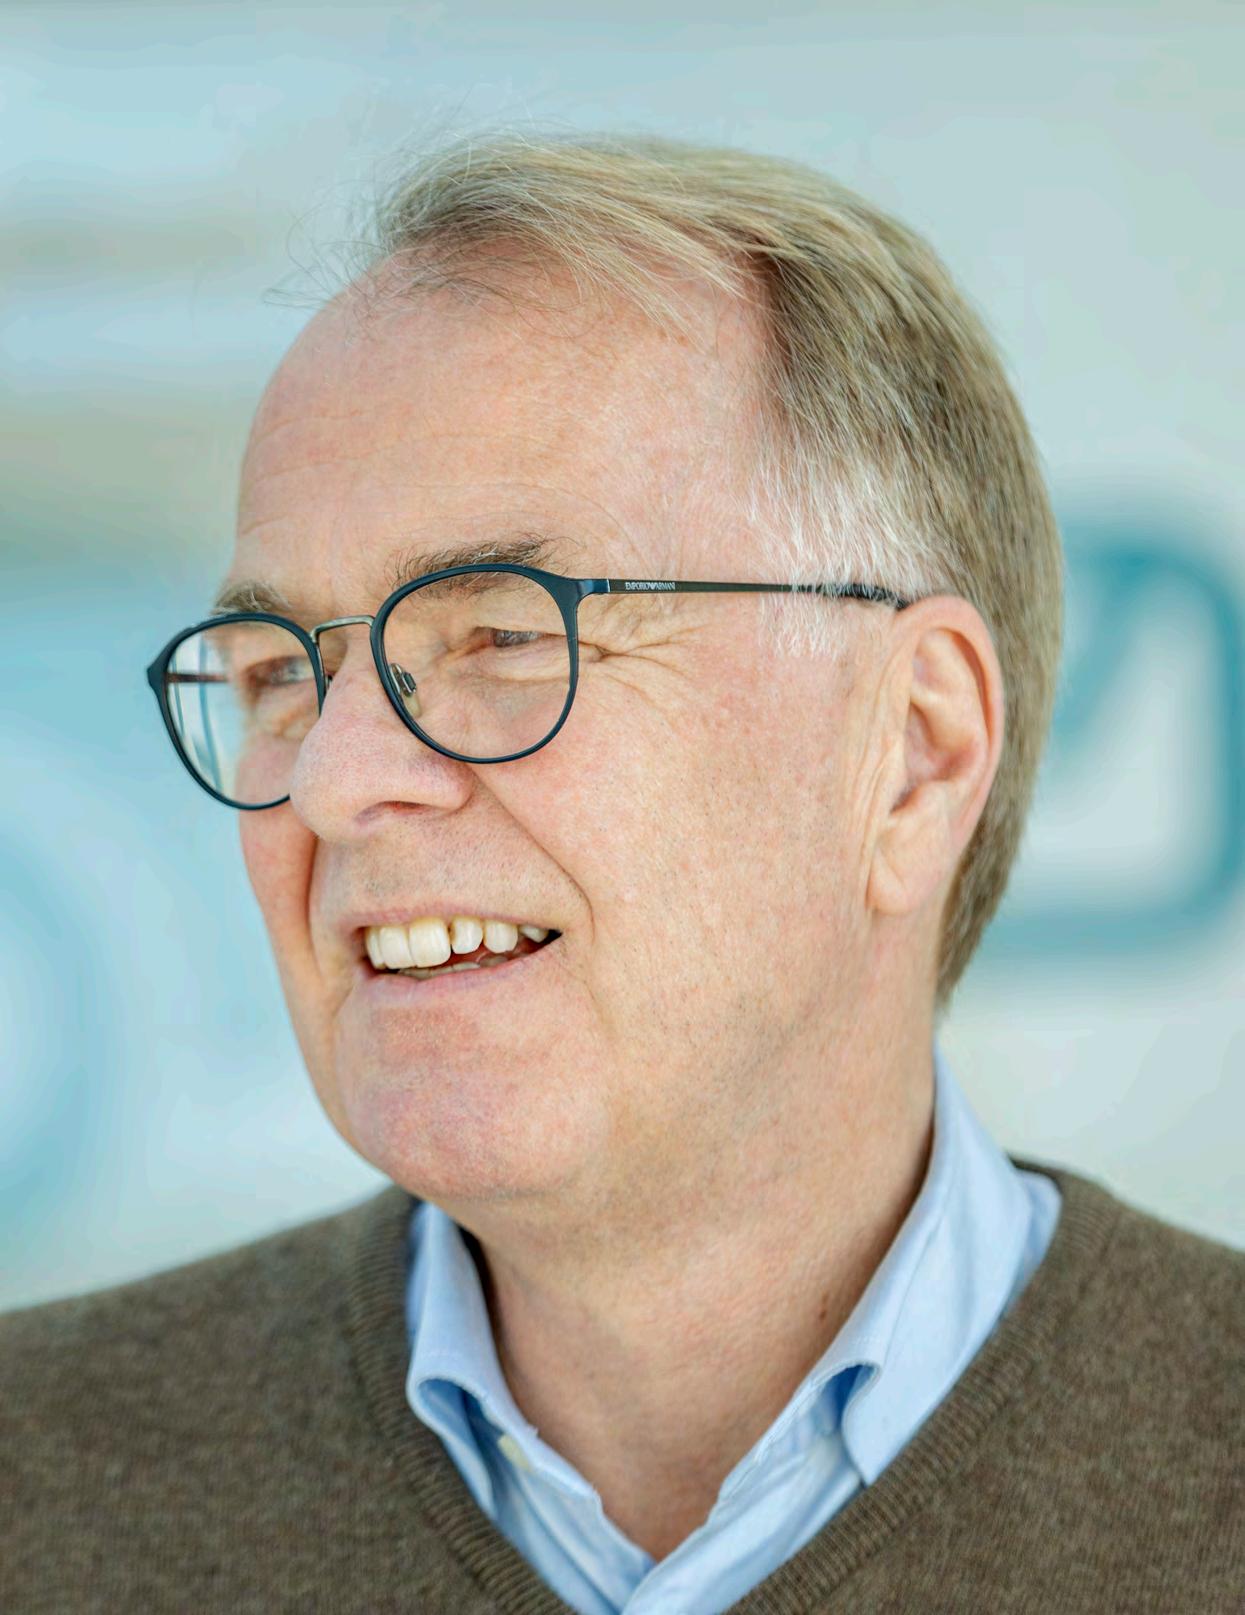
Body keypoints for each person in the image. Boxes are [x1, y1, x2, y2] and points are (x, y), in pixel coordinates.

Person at [3, 132, 1241, 1615]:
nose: (332, 779)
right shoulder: (33, 1494)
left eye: (501, 634)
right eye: (278, 671)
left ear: (911, 754)